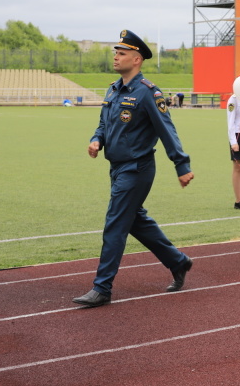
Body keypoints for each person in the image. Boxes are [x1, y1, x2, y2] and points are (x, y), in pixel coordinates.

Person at [73, 30, 195, 308]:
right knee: (135, 221)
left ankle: (102, 287)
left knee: (115, 222)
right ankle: (178, 261)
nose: (116, 57)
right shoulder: (114, 89)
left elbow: (168, 131)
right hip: (116, 168)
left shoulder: (149, 93)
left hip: (137, 168)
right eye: (116, 52)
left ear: (137, 59)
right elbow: (104, 123)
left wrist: (182, 165)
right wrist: (97, 139)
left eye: (122, 53)